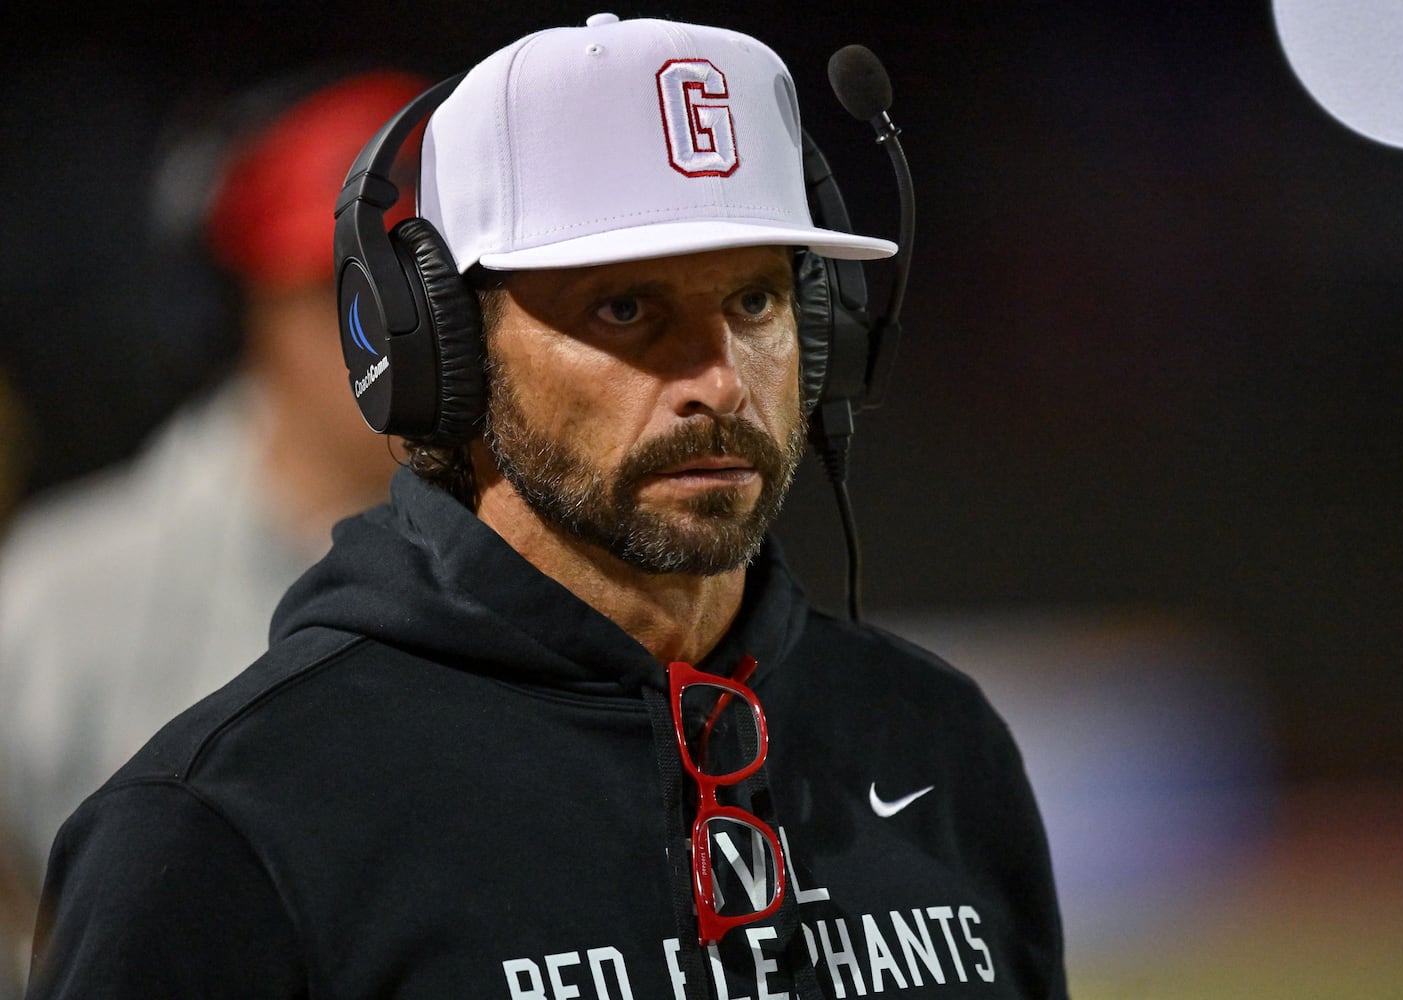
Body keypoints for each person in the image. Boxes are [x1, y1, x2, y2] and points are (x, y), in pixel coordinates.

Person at [25, 15, 1067, 999]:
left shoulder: (940, 743)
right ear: (444, 356)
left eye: (755, 300)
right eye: (626, 307)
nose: (719, 381)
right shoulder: (222, 829)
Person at [0, 70, 429, 982]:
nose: (404, 330)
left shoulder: (565, 563)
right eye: (348, 289)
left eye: (435, 287)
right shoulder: (60, 594)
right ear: (244, 307)